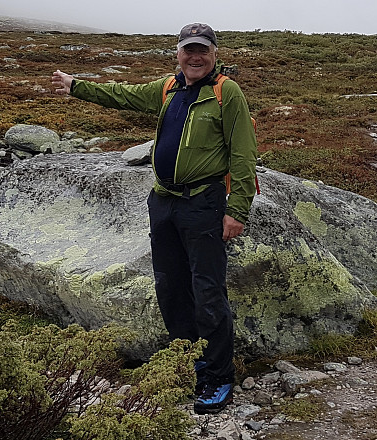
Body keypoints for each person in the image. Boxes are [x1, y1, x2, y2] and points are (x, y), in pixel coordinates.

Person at [51, 22, 257, 414]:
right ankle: (188, 363)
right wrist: (77, 85)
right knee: (170, 287)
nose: (195, 57)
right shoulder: (168, 88)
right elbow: (123, 95)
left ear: (215, 54)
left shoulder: (225, 93)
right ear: (178, 53)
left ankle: (218, 377)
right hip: (163, 202)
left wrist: (237, 210)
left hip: (204, 203)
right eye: (188, 50)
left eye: (203, 51)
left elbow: (243, 155)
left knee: (207, 292)